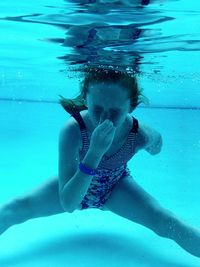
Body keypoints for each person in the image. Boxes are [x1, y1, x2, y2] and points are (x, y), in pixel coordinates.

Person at [0, 66, 200, 258]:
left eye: (115, 112)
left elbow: (157, 144)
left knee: (165, 220)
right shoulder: (73, 130)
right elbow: (69, 203)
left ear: (131, 106)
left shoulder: (138, 134)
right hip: (74, 183)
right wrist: (95, 152)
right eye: (96, 108)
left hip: (116, 187)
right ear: (86, 99)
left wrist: (150, 141)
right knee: (17, 207)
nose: (105, 118)